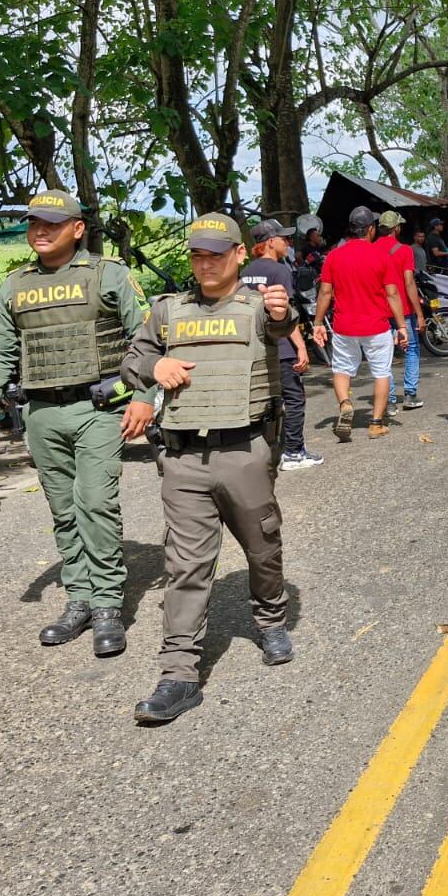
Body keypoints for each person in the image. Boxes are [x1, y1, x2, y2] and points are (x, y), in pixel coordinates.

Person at [121, 213, 297, 723]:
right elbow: (133, 360)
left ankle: (270, 620)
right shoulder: (169, 310)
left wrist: (284, 312)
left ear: (240, 254)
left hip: (245, 452)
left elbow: (284, 323)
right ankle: (178, 675)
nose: (205, 264)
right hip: (182, 458)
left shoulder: (259, 306)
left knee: (263, 548)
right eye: (197, 255)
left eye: (216, 254)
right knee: (185, 565)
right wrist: (153, 368)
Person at [0, 190, 154, 658]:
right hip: (41, 412)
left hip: (99, 408)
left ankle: (109, 604)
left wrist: (145, 398)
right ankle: (80, 599)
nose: (40, 231)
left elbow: (147, 338)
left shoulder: (109, 275)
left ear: (77, 229)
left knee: (95, 503)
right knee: (64, 511)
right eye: (34, 223)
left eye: (52, 223)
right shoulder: (15, 286)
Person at [313, 205, 408, 442]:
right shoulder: (380, 256)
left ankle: (345, 403)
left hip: (344, 326)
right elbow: (393, 294)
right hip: (376, 327)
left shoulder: (334, 255)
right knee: (381, 372)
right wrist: (402, 326)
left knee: (342, 370)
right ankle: (376, 423)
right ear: (371, 229)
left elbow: (325, 293)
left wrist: (317, 322)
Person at [241, 219, 321, 471]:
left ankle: (260, 453)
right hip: (282, 348)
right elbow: (284, 313)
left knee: (263, 402)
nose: (287, 244)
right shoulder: (280, 271)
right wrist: (300, 347)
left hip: (255, 348)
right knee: (294, 399)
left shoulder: (243, 273)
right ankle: (294, 452)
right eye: (283, 239)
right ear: (269, 242)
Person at [373, 210, 425, 413]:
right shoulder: (404, 250)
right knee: (411, 348)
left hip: (380, 311)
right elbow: (409, 282)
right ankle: (410, 395)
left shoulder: (371, 249)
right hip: (403, 310)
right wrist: (419, 313)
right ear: (396, 228)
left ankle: (390, 400)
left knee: (383, 354)